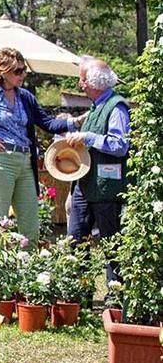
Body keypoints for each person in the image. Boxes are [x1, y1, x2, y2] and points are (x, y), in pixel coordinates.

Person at [0, 47, 81, 249]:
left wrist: (77, 122)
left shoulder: (25, 97)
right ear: (2, 73)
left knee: (31, 226)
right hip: (0, 161)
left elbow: (49, 124)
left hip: (25, 162)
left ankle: (29, 274)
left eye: (24, 70)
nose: (23, 75)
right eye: (17, 71)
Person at [65, 56, 130, 288]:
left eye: (82, 79)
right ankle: (79, 295)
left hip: (106, 187)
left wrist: (88, 137)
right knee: (76, 239)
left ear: (94, 82)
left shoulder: (116, 107)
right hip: (84, 184)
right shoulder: (95, 108)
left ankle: (114, 298)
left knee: (111, 244)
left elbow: (120, 145)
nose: (80, 84)